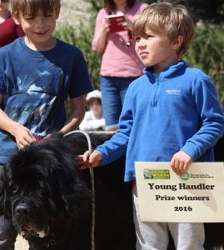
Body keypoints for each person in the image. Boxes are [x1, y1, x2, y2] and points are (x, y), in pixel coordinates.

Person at [80, 3, 224, 250]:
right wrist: (102, 153)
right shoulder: (135, 88)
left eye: (149, 36)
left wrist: (189, 150)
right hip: (145, 182)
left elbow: (214, 122)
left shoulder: (197, 80)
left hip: (187, 183)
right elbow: (126, 132)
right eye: (136, 38)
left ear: (177, 41)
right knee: (148, 246)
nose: (140, 44)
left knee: (188, 245)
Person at [0, 0, 93, 248]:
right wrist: (15, 129)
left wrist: (60, 138)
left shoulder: (72, 56)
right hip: (9, 157)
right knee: (3, 233)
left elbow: (78, 108)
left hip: (48, 164)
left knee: (45, 234)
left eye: (47, 15)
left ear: (58, 13)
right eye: (31, 17)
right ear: (17, 17)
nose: (40, 24)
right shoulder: (5, 55)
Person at [92, 0, 148, 131]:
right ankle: (115, 151)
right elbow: (97, 47)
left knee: (134, 122)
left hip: (134, 74)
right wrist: (104, 30)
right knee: (111, 124)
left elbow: (150, 38)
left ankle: (133, 151)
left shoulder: (143, 9)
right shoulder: (103, 13)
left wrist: (132, 26)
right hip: (108, 75)